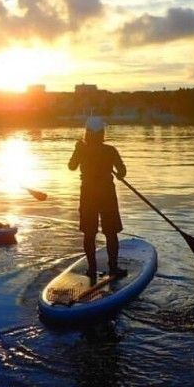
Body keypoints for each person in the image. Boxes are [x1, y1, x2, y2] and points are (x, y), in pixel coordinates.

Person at [68, 116, 127, 279]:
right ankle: (113, 268)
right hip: (107, 194)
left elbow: (71, 167)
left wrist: (77, 149)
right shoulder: (110, 150)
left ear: (87, 132)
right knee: (111, 232)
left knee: (89, 232)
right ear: (102, 133)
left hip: (88, 194)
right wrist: (116, 171)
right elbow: (122, 172)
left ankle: (92, 269)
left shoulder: (81, 149)